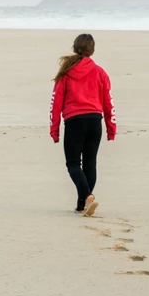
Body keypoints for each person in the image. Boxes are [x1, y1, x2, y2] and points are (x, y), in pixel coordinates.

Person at [49, 33, 116, 216]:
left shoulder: (66, 73)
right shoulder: (100, 72)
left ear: (74, 48)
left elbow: (56, 104)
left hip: (75, 122)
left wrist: (54, 130)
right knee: (90, 163)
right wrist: (111, 128)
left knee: (73, 164)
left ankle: (87, 197)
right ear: (92, 51)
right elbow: (108, 102)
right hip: (95, 122)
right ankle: (82, 206)